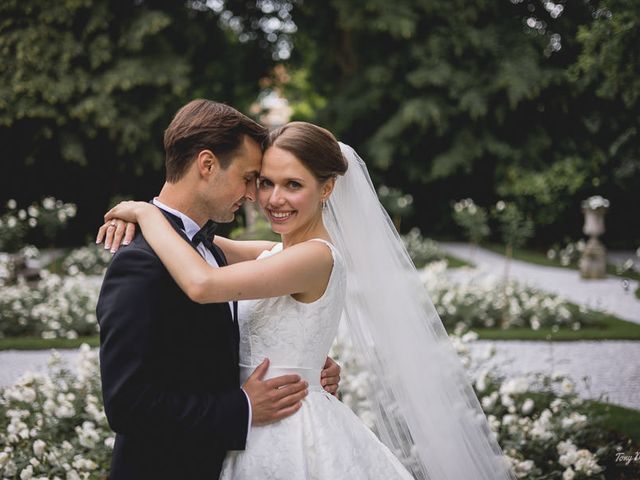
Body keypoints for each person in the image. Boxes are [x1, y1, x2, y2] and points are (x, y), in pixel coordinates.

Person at [101, 120, 517, 479]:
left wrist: (144, 212)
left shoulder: (315, 256)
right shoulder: (278, 252)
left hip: (287, 431)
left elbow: (203, 283)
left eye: (293, 185)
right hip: (244, 429)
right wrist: (151, 215)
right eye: (264, 182)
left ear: (328, 188)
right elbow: (193, 242)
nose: (271, 198)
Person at [95, 100, 341, 479]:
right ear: (207, 165)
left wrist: (305, 364)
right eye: (252, 179)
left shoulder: (207, 249)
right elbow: (127, 404)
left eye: (290, 184)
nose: (254, 195)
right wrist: (241, 408)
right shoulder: (141, 262)